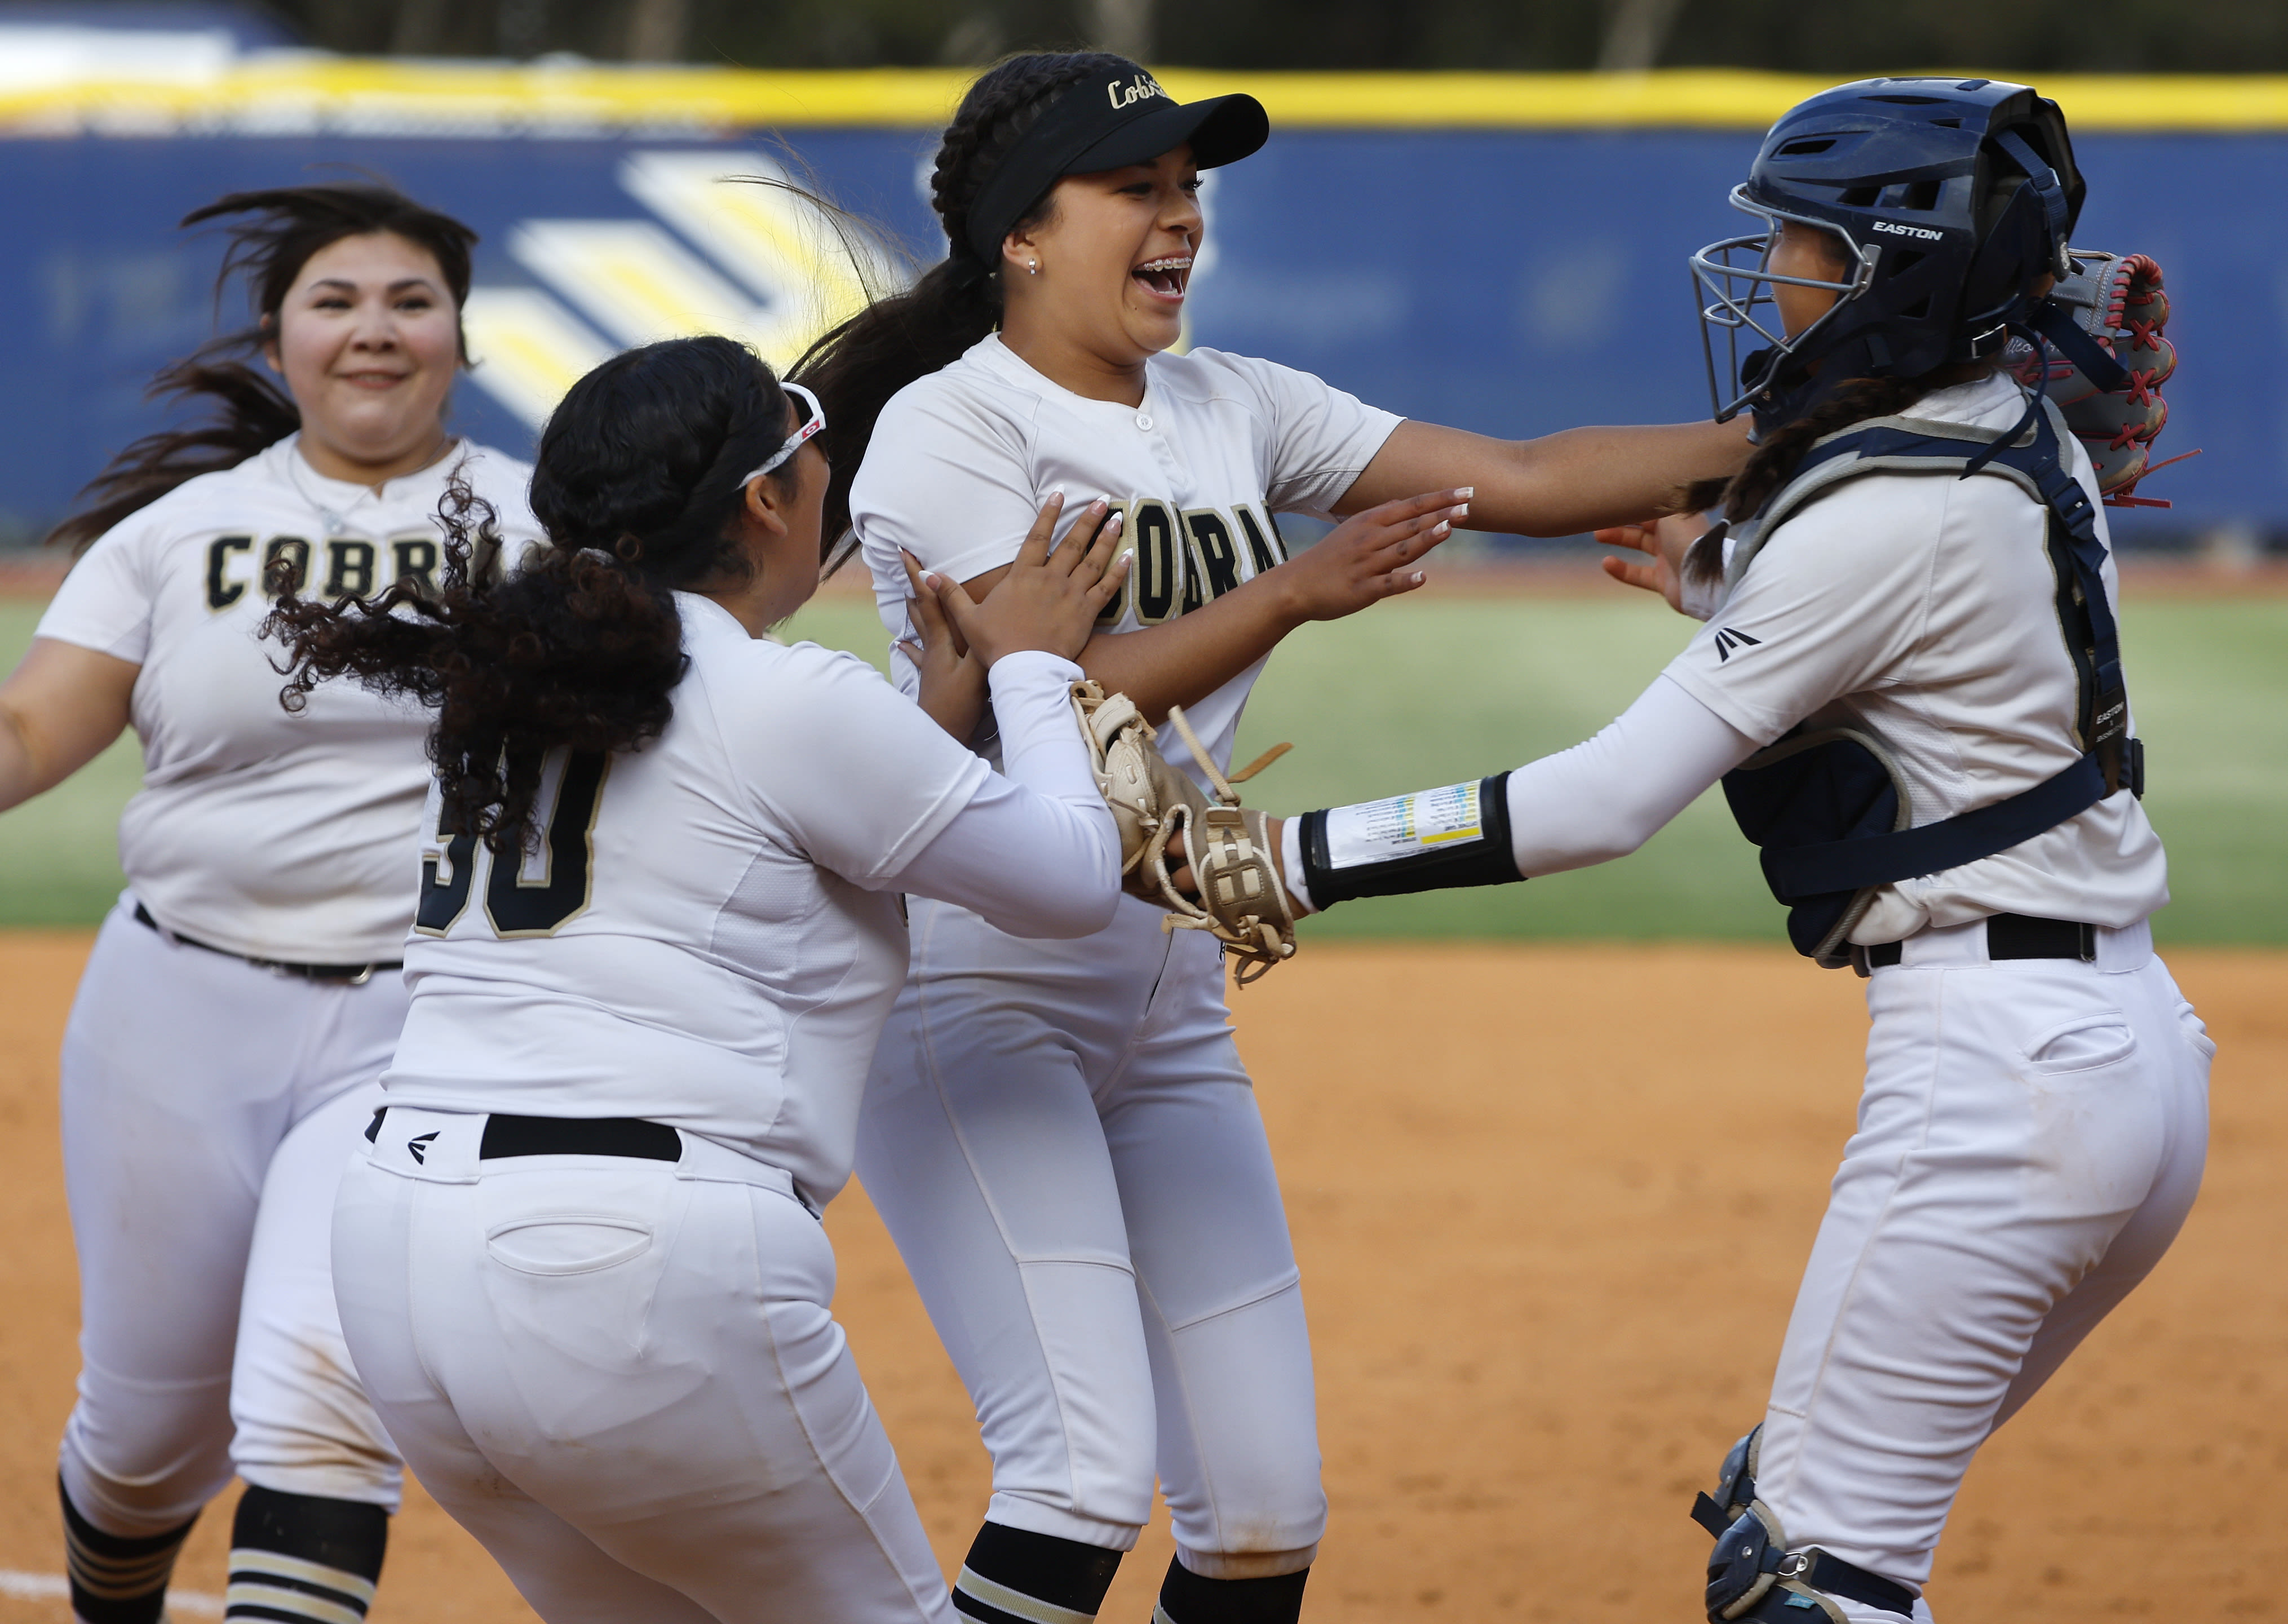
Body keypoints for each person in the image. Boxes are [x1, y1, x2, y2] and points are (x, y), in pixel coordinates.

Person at [1225, 78, 2209, 1623]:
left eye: (1805, 243)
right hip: (2134, 1058)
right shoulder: (2013, 423)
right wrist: (1724, 587)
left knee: (1807, 1580)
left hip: (1994, 1086)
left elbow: (1597, 802)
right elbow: (1935, 666)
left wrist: (1277, 859)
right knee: (1800, 1516)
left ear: (1891, 265)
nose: (1776, 273)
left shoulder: (1877, 508)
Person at [793, 50, 1754, 1624]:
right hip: (985, 991)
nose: (1179, 218)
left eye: (1188, 188)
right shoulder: (947, 429)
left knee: (1255, 1514)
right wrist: (1288, 592)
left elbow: (1518, 476)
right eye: (1135, 188)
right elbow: (1049, 690)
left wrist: (1819, 427)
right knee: (1076, 1489)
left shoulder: (1230, 401)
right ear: (1017, 236)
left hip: (1165, 995)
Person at [269, 333, 1132, 1624]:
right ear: (765, 498)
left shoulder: (515, 689)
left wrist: (930, 733)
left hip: (396, 1255)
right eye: (812, 454)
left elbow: (730, 831)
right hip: (625, 1266)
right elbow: (1069, 879)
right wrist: (1033, 669)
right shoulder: (786, 696)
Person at [0, 184, 539, 1624]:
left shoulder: (544, 532)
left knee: (322, 1395)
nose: (374, 329)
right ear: (280, 334)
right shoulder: (184, 532)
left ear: (460, 336)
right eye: (337, 300)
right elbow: (31, 737)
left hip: (421, 1024)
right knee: (141, 1445)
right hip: (175, 1013)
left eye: (409, 300)